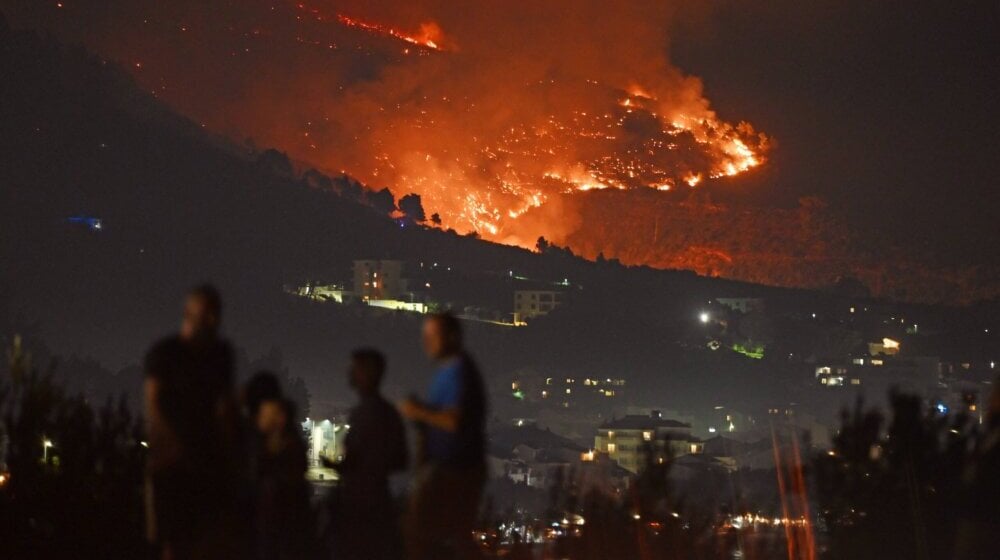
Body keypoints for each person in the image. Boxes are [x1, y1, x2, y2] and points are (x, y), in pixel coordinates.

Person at [143, 284, 246, 559]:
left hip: (207, 467)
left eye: (215, 314)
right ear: (189, 313)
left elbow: (225, 408)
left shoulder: (220, 354)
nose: (213, 321)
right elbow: (155, 407)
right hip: (174, 467)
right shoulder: (166, 354)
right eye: (207, 313)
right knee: (175, 545)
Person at [400, 313, 487, 560]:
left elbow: (453, 420)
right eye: (425, 336)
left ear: (451, 337)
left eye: (432, 336)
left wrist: (418, 411)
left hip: (457, 471)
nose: (426, 342)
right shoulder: (447, 372)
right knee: (448, 537)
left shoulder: (459, 373)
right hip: (448, 469)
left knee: (421, 532)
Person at [325, 348, 408, 560]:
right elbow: (400, 459)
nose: (350, 374)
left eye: (355, 369)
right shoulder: (385, 413)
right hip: (373, 504)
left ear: (366, 373)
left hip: (361, 507)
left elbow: (369, 460)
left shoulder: (368, 413)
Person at [251, 382, 313, 560]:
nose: (259, 418)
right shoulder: (268, 449)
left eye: (264, 413)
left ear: (280, 418)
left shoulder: (288, 452)